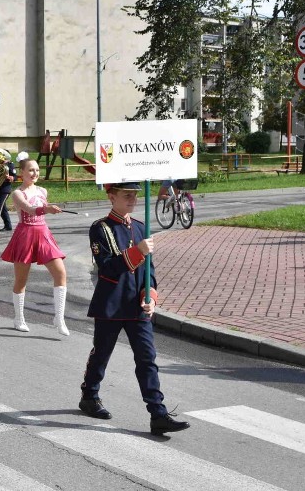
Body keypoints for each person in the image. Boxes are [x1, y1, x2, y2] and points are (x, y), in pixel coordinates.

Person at [79, 181, 191, 436]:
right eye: (126, 195)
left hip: (137, 307)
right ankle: (89, 395)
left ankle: (157, 413)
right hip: (111, 303)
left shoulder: (142, 227)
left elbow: (148, 271)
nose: (132, 200)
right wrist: (137, 252)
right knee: (102, 354)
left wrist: (149, 295)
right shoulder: (101, 228)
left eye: (135, 195)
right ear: (111, 197)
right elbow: (107, 269)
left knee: (146, 358)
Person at [0, 153, 69, 336]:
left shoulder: (43, 191)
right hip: (26, 234)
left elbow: (42, 209)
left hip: (43, 233)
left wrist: (50, 208)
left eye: (37, 170)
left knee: (60, 273)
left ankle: (59, 318)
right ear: (21, 172)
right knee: (21, 280)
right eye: (30, 170)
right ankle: (19, 318)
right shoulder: (17, 193)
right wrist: (46, 209)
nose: (35, 173)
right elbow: (29, 209)